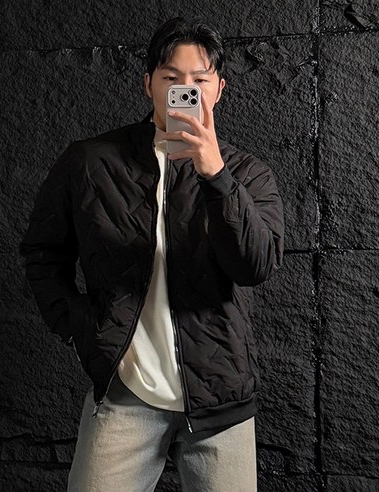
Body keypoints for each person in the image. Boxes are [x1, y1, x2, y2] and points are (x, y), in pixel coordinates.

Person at [20, 17, 284, 492]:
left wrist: (215, 175)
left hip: (219, 400)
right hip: (126, 393)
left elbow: (256, 265)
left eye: (199, 80)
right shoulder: (90, 162)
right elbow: (42, 252)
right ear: (148, 84)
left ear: (218, 90)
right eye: (171, 77)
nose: (185, 90)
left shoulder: (248, 173)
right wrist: (79, 326)